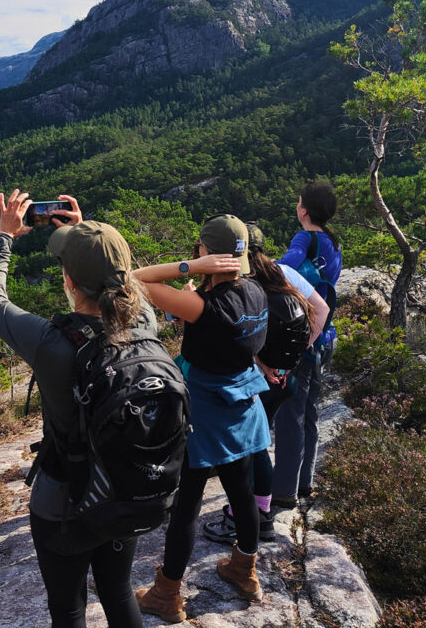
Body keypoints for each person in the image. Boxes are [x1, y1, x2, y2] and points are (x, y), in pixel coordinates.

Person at [0, 189, 149, 628]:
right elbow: (127, 281)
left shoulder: (50, 343)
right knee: (117, 590)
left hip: (64, 500)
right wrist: (85, 234)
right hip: (123, 490)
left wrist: (5, 237)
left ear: (69, 282)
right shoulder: (143, 323)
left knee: (69, 608)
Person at [132, 214, 269, 620]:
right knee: (240, 491)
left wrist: (191, 269)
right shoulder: (256, 293)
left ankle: (167, 594)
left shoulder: (204, 308)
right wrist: (202, 283)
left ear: (207, 252)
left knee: (187, 505)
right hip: (242, 407)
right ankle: (245, 571)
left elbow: (136, 278)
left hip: (204, 416)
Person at [202, 221, 328, 545]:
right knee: (259, 446)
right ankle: (262, 514)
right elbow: (321, 309)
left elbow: (238, 335)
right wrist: (296, 356)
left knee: (250, 450)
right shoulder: (284, 274)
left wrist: (261, 362)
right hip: (286, 379)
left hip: (256, 380)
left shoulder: (244, 284)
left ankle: (244, 517)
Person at [272, 181, 342, 508]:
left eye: (299, 201)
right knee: (310, 412)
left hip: (304, 336)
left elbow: (285, 268)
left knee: (290, 414)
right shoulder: (332, 243)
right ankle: (304, 483)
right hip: (326, 335)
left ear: (304, 210)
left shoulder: (305, 237)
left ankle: (282, 492)